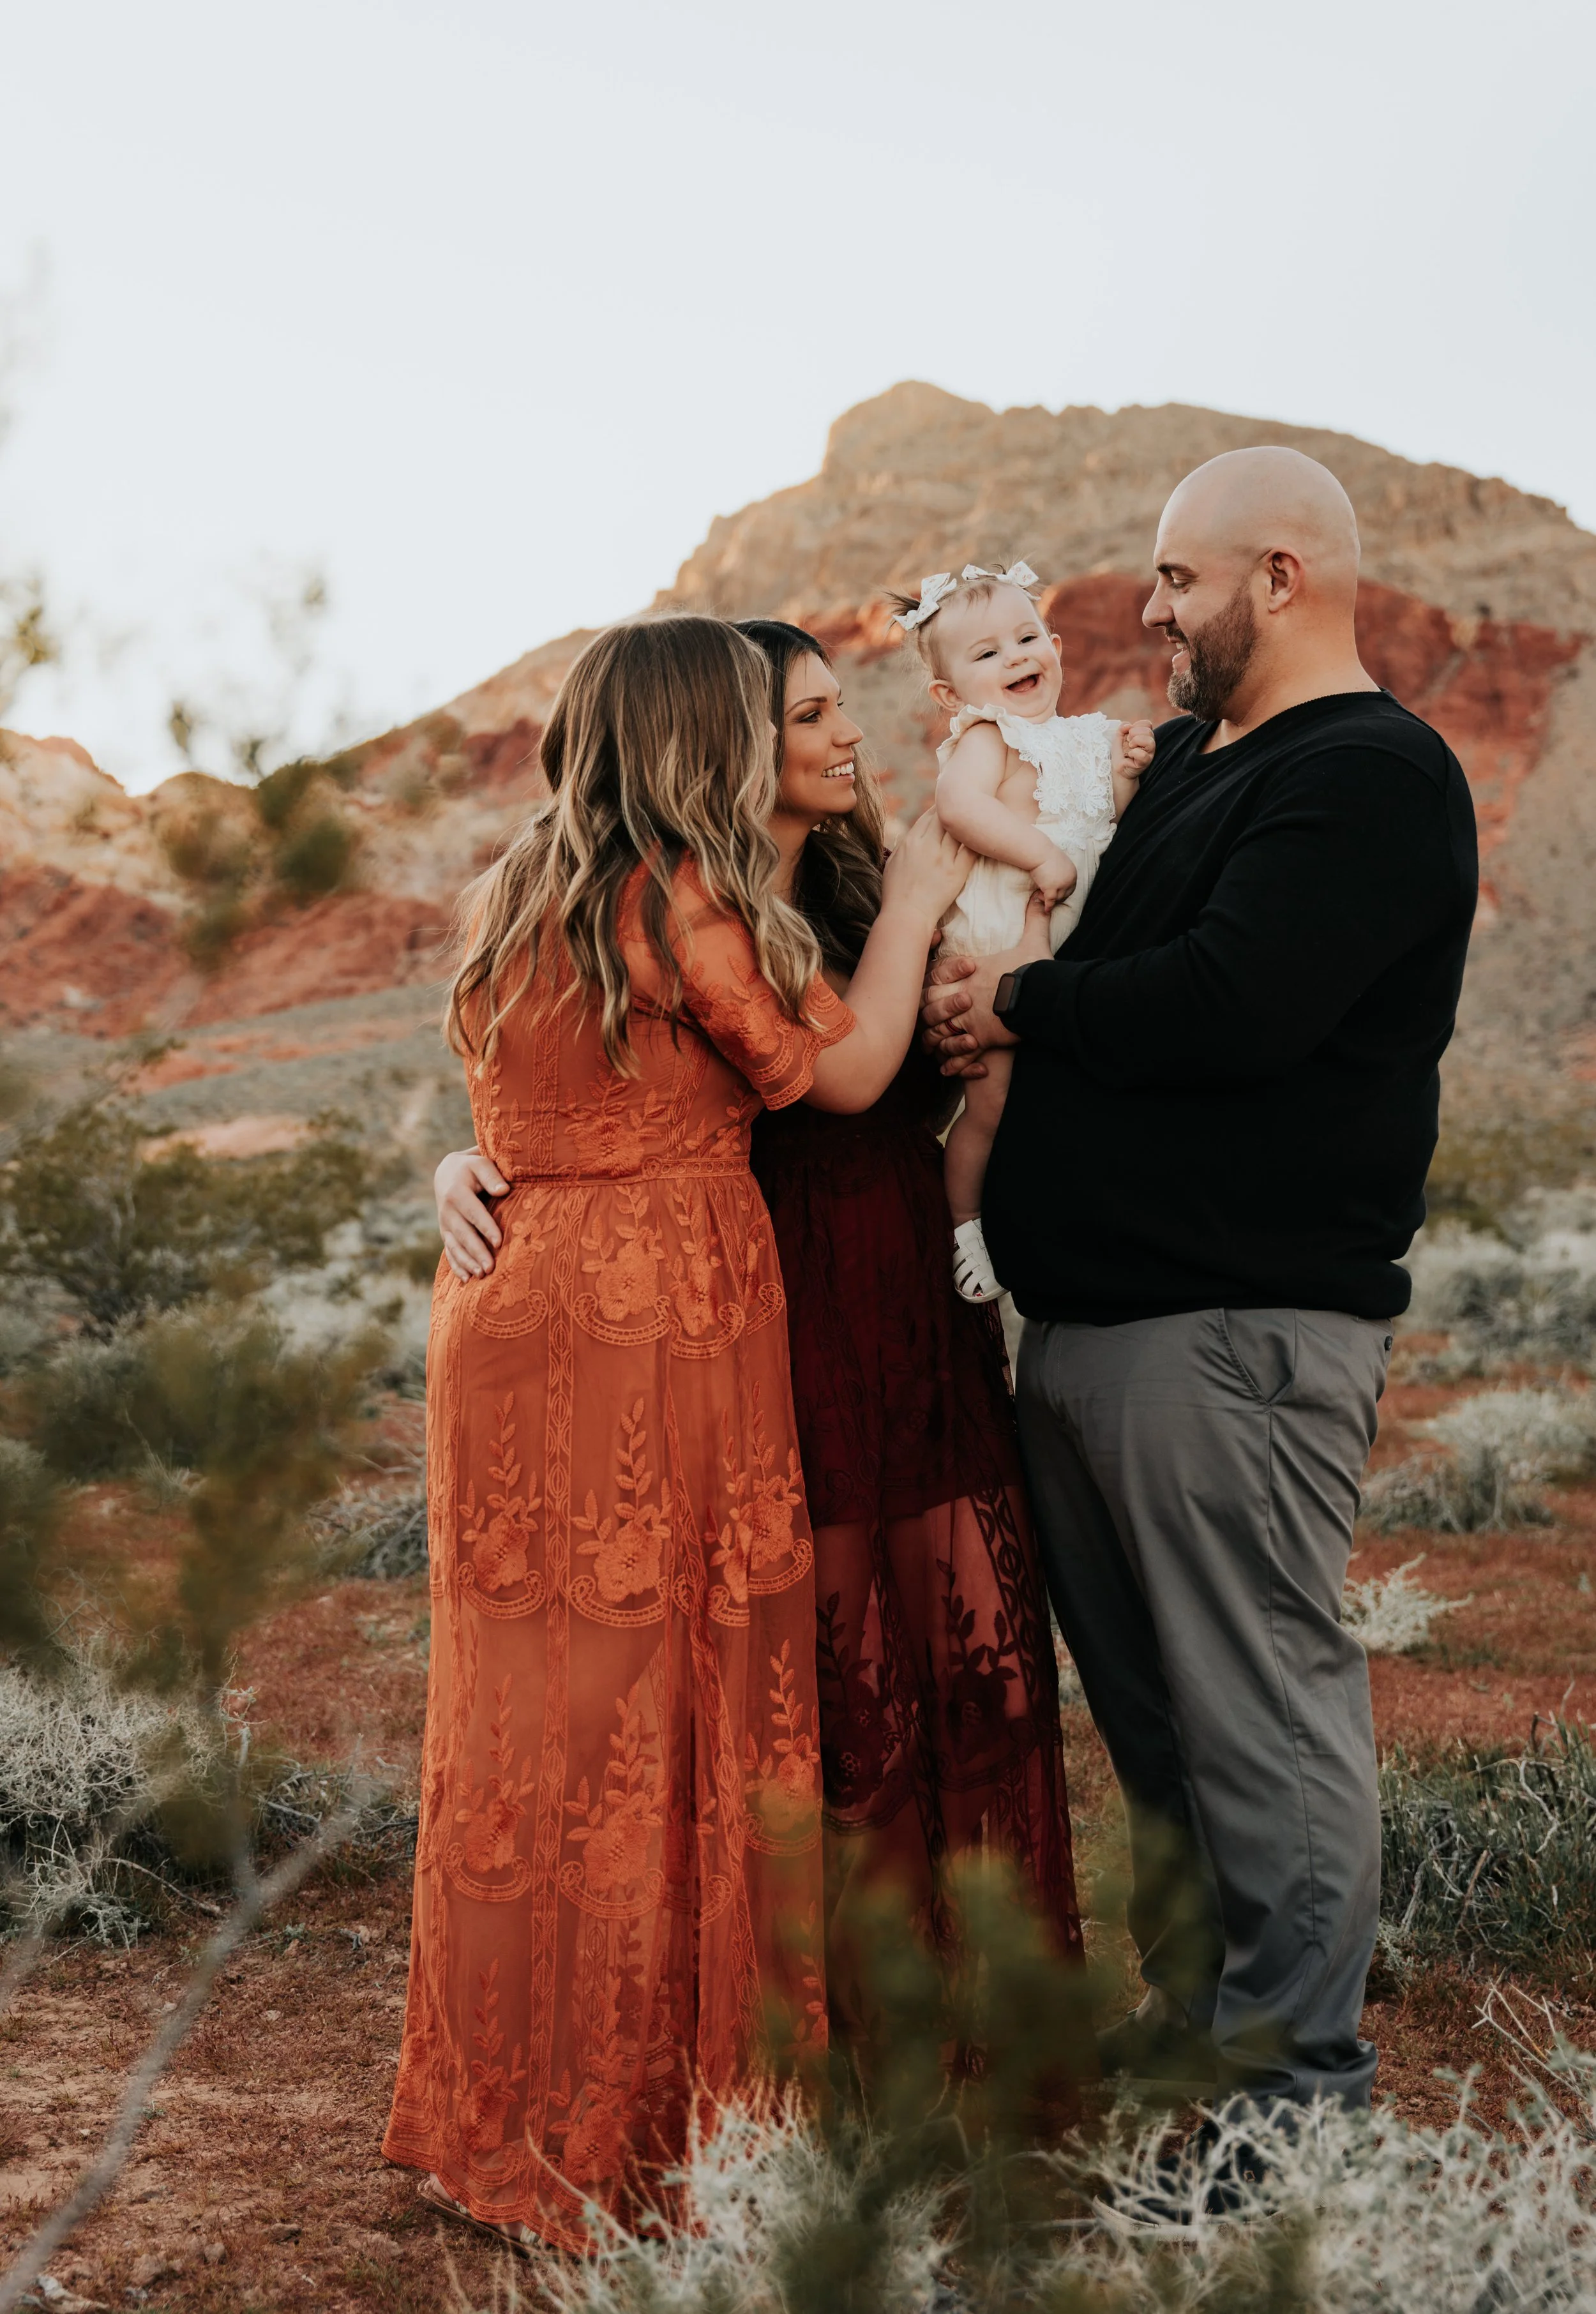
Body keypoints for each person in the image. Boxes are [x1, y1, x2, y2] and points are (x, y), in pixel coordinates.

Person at [384, 614, 968, 2251]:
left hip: (508, 1311)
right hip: (655, 1306)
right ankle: (654, 2131)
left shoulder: (525, 890)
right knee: (685, 1702)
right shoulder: (686, 895)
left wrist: (458, 1168)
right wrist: (918, 889)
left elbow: (526, 1105)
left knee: (533, 1715)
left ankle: (499, 2104)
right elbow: (836, 1074)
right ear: (688, 739)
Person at [921, 448, 1479, 2114]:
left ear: (1279, 578)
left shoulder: (1371, 774)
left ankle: (1297, 2093)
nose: (1148, 611)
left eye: (1174, 581)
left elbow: (1231, 1002)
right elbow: (1081, 931)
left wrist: (1019, 1008)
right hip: (1093, 1326)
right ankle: (1199, 2030)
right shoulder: (1185, 770)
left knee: (1261, 1725)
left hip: (1230, 1333)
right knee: (1159, 1731)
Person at [435, 620, 1083, 2055]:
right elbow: (803, 1074)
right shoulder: (695, 897)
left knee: (859, 1671)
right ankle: (740, 2047)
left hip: (848, 1296)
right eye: (793, 714)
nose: (840, 736)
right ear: (717, 744)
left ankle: (875, 2026)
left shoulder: (783, 885)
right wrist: (477, 1168)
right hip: (709, 1309)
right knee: (733, 1691)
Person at [887, 560, 1154, 1304]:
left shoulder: (1088, 734)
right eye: (987, 653)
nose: (1016, 658)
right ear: (949, 695)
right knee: (993, 1102)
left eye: (1026, 637)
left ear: (1058, 645)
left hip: (1072, 943)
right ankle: (965, 1223)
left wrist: (1127, 773)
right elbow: (960, 805)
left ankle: (1051, 1215)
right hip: (999, 932)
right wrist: (1038, 853)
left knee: (1059, 1096)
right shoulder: (987, 737)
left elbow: (1104, 822)